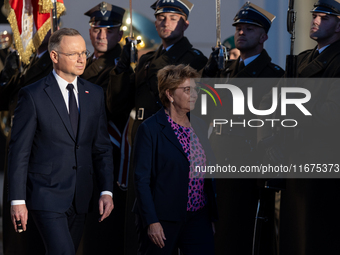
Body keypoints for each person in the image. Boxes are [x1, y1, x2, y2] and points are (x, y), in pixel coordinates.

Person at [110, 1, 208, 253]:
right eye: (161, 17)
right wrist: (123, 66)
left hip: (172, 146)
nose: (165, 22)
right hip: (144, 142)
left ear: (185, 23)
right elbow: (118, 105)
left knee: (167, 224)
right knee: (141, 222)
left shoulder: (195, 59)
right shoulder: (145, 60)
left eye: (173, 18)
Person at [7, 28, 114, 255]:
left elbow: (101, 147)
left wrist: (107, 191)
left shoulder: (94, 94)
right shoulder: (33, 95)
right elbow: (19, 152)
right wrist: (17, 200)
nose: (81, 59)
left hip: (81, 196)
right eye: (74, 54)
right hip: (45, 195)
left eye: (84, 53)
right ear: (54, 56)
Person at [203, 2, 284, 255]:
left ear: (264, 36)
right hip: (216, 157)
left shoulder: (273, 75)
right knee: (213, 231)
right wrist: (208, 75)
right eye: (239, 28)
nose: (241, 33)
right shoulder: (224, 71)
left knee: (239, 233)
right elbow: (201, 111)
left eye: (249, 29)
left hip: (245, 162)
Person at [265, 1, 340, 254]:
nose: (316, 21)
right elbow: (273, 102)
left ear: (339, 26)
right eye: (315, 16)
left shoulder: (337, 61)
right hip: (293, 158)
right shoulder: (301, 59)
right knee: (292, 237)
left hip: (322, 164)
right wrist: (274, 140)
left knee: (315, 237)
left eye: (325, 18)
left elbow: (332, 113)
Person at [133, 64, 217, 255]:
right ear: (170, 94)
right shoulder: (150, 129)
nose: (194, 94)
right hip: (163, 219)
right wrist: (152, 221)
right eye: (187, 90)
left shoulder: (200, 125)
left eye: (195, 89)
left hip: (198, 216)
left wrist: (210, 217)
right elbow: (141, 180)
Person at [78, 3, 130, 255]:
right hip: (77, 152)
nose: (101, 36)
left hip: (104, 153)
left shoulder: (120, 66)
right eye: (97, 29)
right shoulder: (85, 62)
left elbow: (115, 106)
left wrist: (122, 71)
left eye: (109, 31)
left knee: (100, 232)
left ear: (120, 34)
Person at [1, 30, 53, 255]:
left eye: (36, 25)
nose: (30, 30)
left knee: (30, 233)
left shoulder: (52, 64)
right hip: (17, 147)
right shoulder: (26, 61)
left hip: (36, 152)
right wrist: (10, 69)